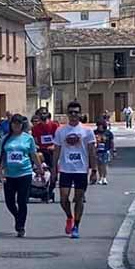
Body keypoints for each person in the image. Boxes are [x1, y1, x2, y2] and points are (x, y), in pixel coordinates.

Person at [53, 101, 98, 240]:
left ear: (80, 114)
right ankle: (69, 217)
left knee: (78, 198)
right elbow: (56, 151)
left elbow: (92, 151)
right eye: (71, 112)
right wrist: (54, 168)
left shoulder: (87, 131)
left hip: (81, 170)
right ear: (67, 114)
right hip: (66, 169)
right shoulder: (61, 131)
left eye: (76, 112)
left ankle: (76, 226)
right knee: (63, 198)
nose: (73, 115)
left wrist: (94, 170)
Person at [0, 115, 43, 237]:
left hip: (25, 173)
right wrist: (0, 170)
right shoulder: (5, 138)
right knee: (9, 202)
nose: (16, 126)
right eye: (14, 124)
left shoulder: (28, 138)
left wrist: (39, 168)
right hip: (9, 174)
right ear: (11, 125)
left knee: (22, 201)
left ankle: (20, 226)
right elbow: (2, 156)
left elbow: (33, 155)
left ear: (22, 125)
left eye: (18, 124)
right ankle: (18, 216)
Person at [31, 108, 59, 202]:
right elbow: (35, 141)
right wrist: (37, 147)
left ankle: (50, 190)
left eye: (44, 113)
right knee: (38, 169)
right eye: (40, 114)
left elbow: (58, 139)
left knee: (53, 171)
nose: (42, 116)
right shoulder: (35, 128)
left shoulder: (54, 125)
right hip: (41, 151)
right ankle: (38, 189)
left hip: (52, 152)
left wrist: (53, 146)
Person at [94, 118, 115, 185]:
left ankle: (104, 178)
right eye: (98, 125)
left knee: (105, 164)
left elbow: (112, 142)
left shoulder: (108, 133)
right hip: (98, 151)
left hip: (106, 150)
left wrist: (113, 150)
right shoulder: (95, 132)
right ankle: (100, 177)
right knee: (99, 165)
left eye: (100, 125)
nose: (99, 127)